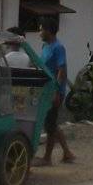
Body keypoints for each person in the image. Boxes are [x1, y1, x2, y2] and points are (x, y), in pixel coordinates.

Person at [36, 18, 75, 165]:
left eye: (41, 30)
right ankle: (67, 153)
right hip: (46, 90)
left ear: (49, 31)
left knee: (50, 123)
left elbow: (61, 71)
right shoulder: (45, 46)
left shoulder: (58, 48)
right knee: (50, 123)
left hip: (54, 91)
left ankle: (47, 158)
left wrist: (57, 91)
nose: (40, 33)